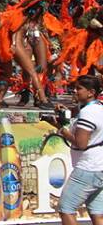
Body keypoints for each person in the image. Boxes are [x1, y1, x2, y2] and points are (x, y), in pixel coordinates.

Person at [56, 75, 103, 225]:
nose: (75, 91)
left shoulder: (88, 113)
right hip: (100, 166)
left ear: (91, 92)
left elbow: (80, 143)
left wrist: (62, 131)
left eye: (79, 89)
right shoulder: (99, 108)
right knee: (97, 213)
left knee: (66, 208)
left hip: (88, 168)